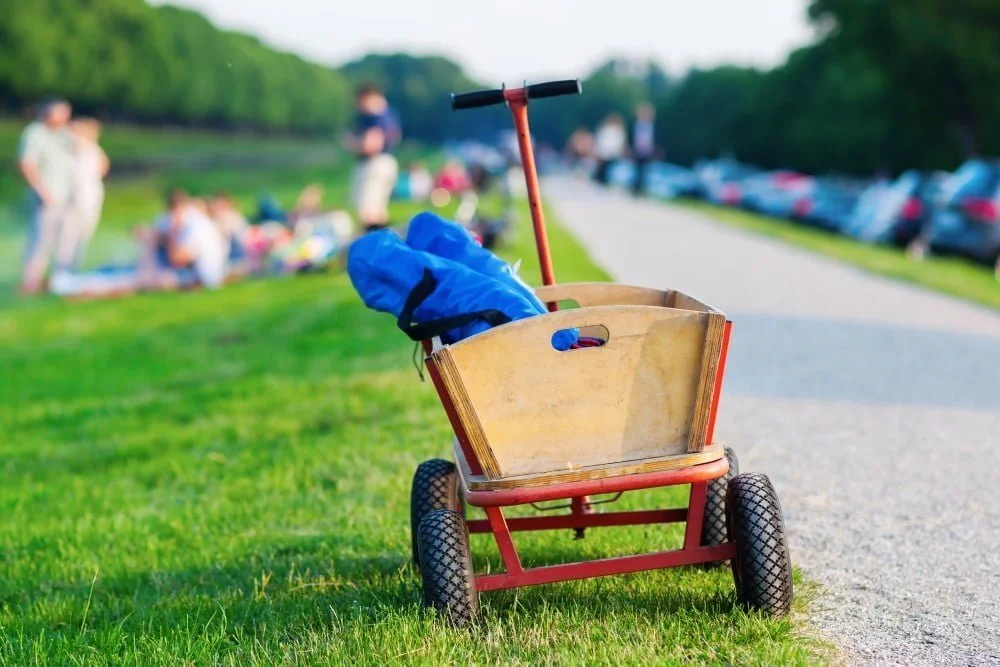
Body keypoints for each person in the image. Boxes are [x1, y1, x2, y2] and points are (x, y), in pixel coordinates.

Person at [18, 99, 75, 294]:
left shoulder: (64, 134)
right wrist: (42, 191)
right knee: (41, 240)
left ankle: (58, 280)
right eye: (61, 114)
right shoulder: (35, 133)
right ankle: (31, 282)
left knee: (65, 239)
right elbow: (27, 164)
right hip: (47, 196)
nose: (65, 118)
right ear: (48, 113)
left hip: (66, 197)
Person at [140, 189, 227, 289]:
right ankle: (144, 276)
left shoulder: (194, 224)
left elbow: (177, 259)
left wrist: (172, 233)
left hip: (205, 275)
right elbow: (155, 234)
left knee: (162, 280)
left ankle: (143, 278)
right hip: (201, 271)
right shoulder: (188, 218)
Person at [55, 118, 109, 275]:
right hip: (73, 200)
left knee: (82, 236)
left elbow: (104, 166)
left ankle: (72, 269)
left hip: (90, 198)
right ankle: (62, 271)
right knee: (67, 236)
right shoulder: (70, 148)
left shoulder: (93, 149)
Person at [345, 83, 401, 232]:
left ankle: (374, 247)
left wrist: (352, 142)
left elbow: (371, 145)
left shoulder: (376, 117)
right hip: (386, 162)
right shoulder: (390, 115)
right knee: (378, 210)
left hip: (374, 164)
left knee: (368, 212)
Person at [593, 114, 626, 186]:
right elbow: (601, 140)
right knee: (602, 167)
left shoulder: (618, 131)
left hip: (610, 152)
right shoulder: (605, 129)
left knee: (606, 168)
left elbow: (619, 143)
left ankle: (602, 181)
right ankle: (599, 180)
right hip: (604, 151)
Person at [631, 103, 656, 196]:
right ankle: (635, 188)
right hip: (637, 150)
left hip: (647, 151)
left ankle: (641, 189)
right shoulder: (636, 125)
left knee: (644, 171)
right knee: (636, 170)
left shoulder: (651, 126)